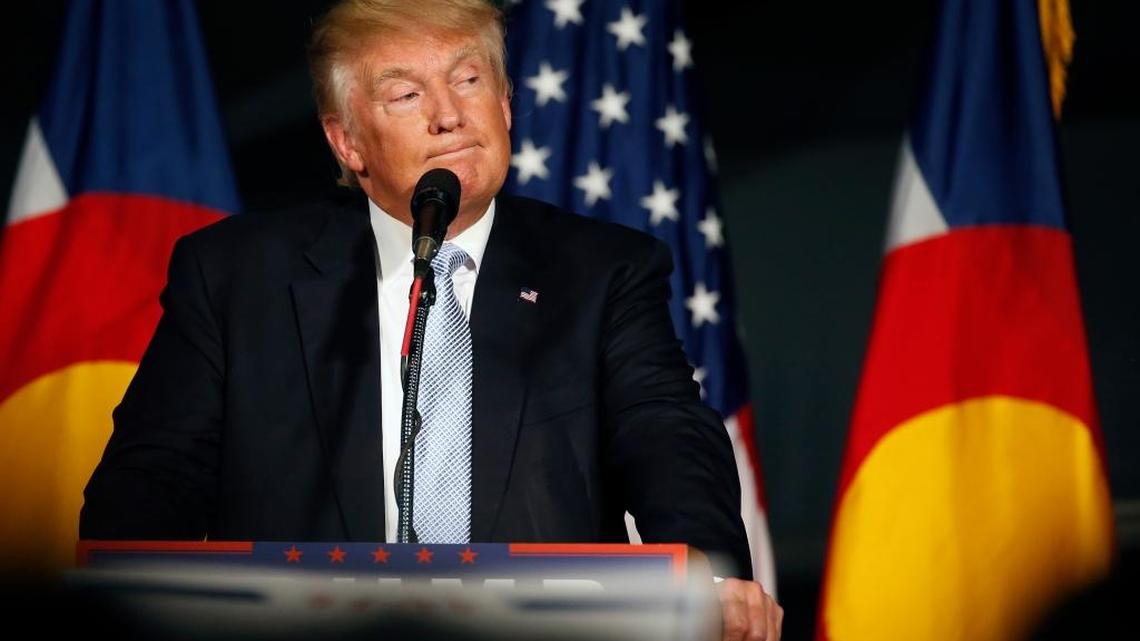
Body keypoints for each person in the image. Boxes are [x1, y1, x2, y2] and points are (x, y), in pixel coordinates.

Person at [80, 0, 781, 638]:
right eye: (406, 95)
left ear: (505, 104)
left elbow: (667, 436)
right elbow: (154, 478)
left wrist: (712, 574)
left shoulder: (602, 271)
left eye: (468, 80)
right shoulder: (236, 276)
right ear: (348, 143)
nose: (449, 115)